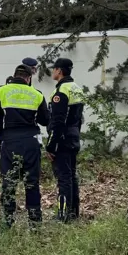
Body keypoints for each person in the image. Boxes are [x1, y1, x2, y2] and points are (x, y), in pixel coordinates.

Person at [0, 65, 50, 231]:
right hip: (31, 143)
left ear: (14, 76)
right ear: (28, 78)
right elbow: (45, 120)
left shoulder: (1, 92)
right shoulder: (37, 95)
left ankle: (6, 224)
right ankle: (35, 225)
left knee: (9, 182)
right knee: (32, 183)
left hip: (9, 143)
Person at [45, 58, 85, 222]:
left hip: (62, 139)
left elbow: (58, 121)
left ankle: (63, 215)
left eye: (54, 69)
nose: (52, 72)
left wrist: (51, 146)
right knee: (71, 176)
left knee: (63, 177)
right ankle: (74, 212)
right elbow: (79, 118)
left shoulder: (61, 91)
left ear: (59, 71)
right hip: (74, 135)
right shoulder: (76, 89)